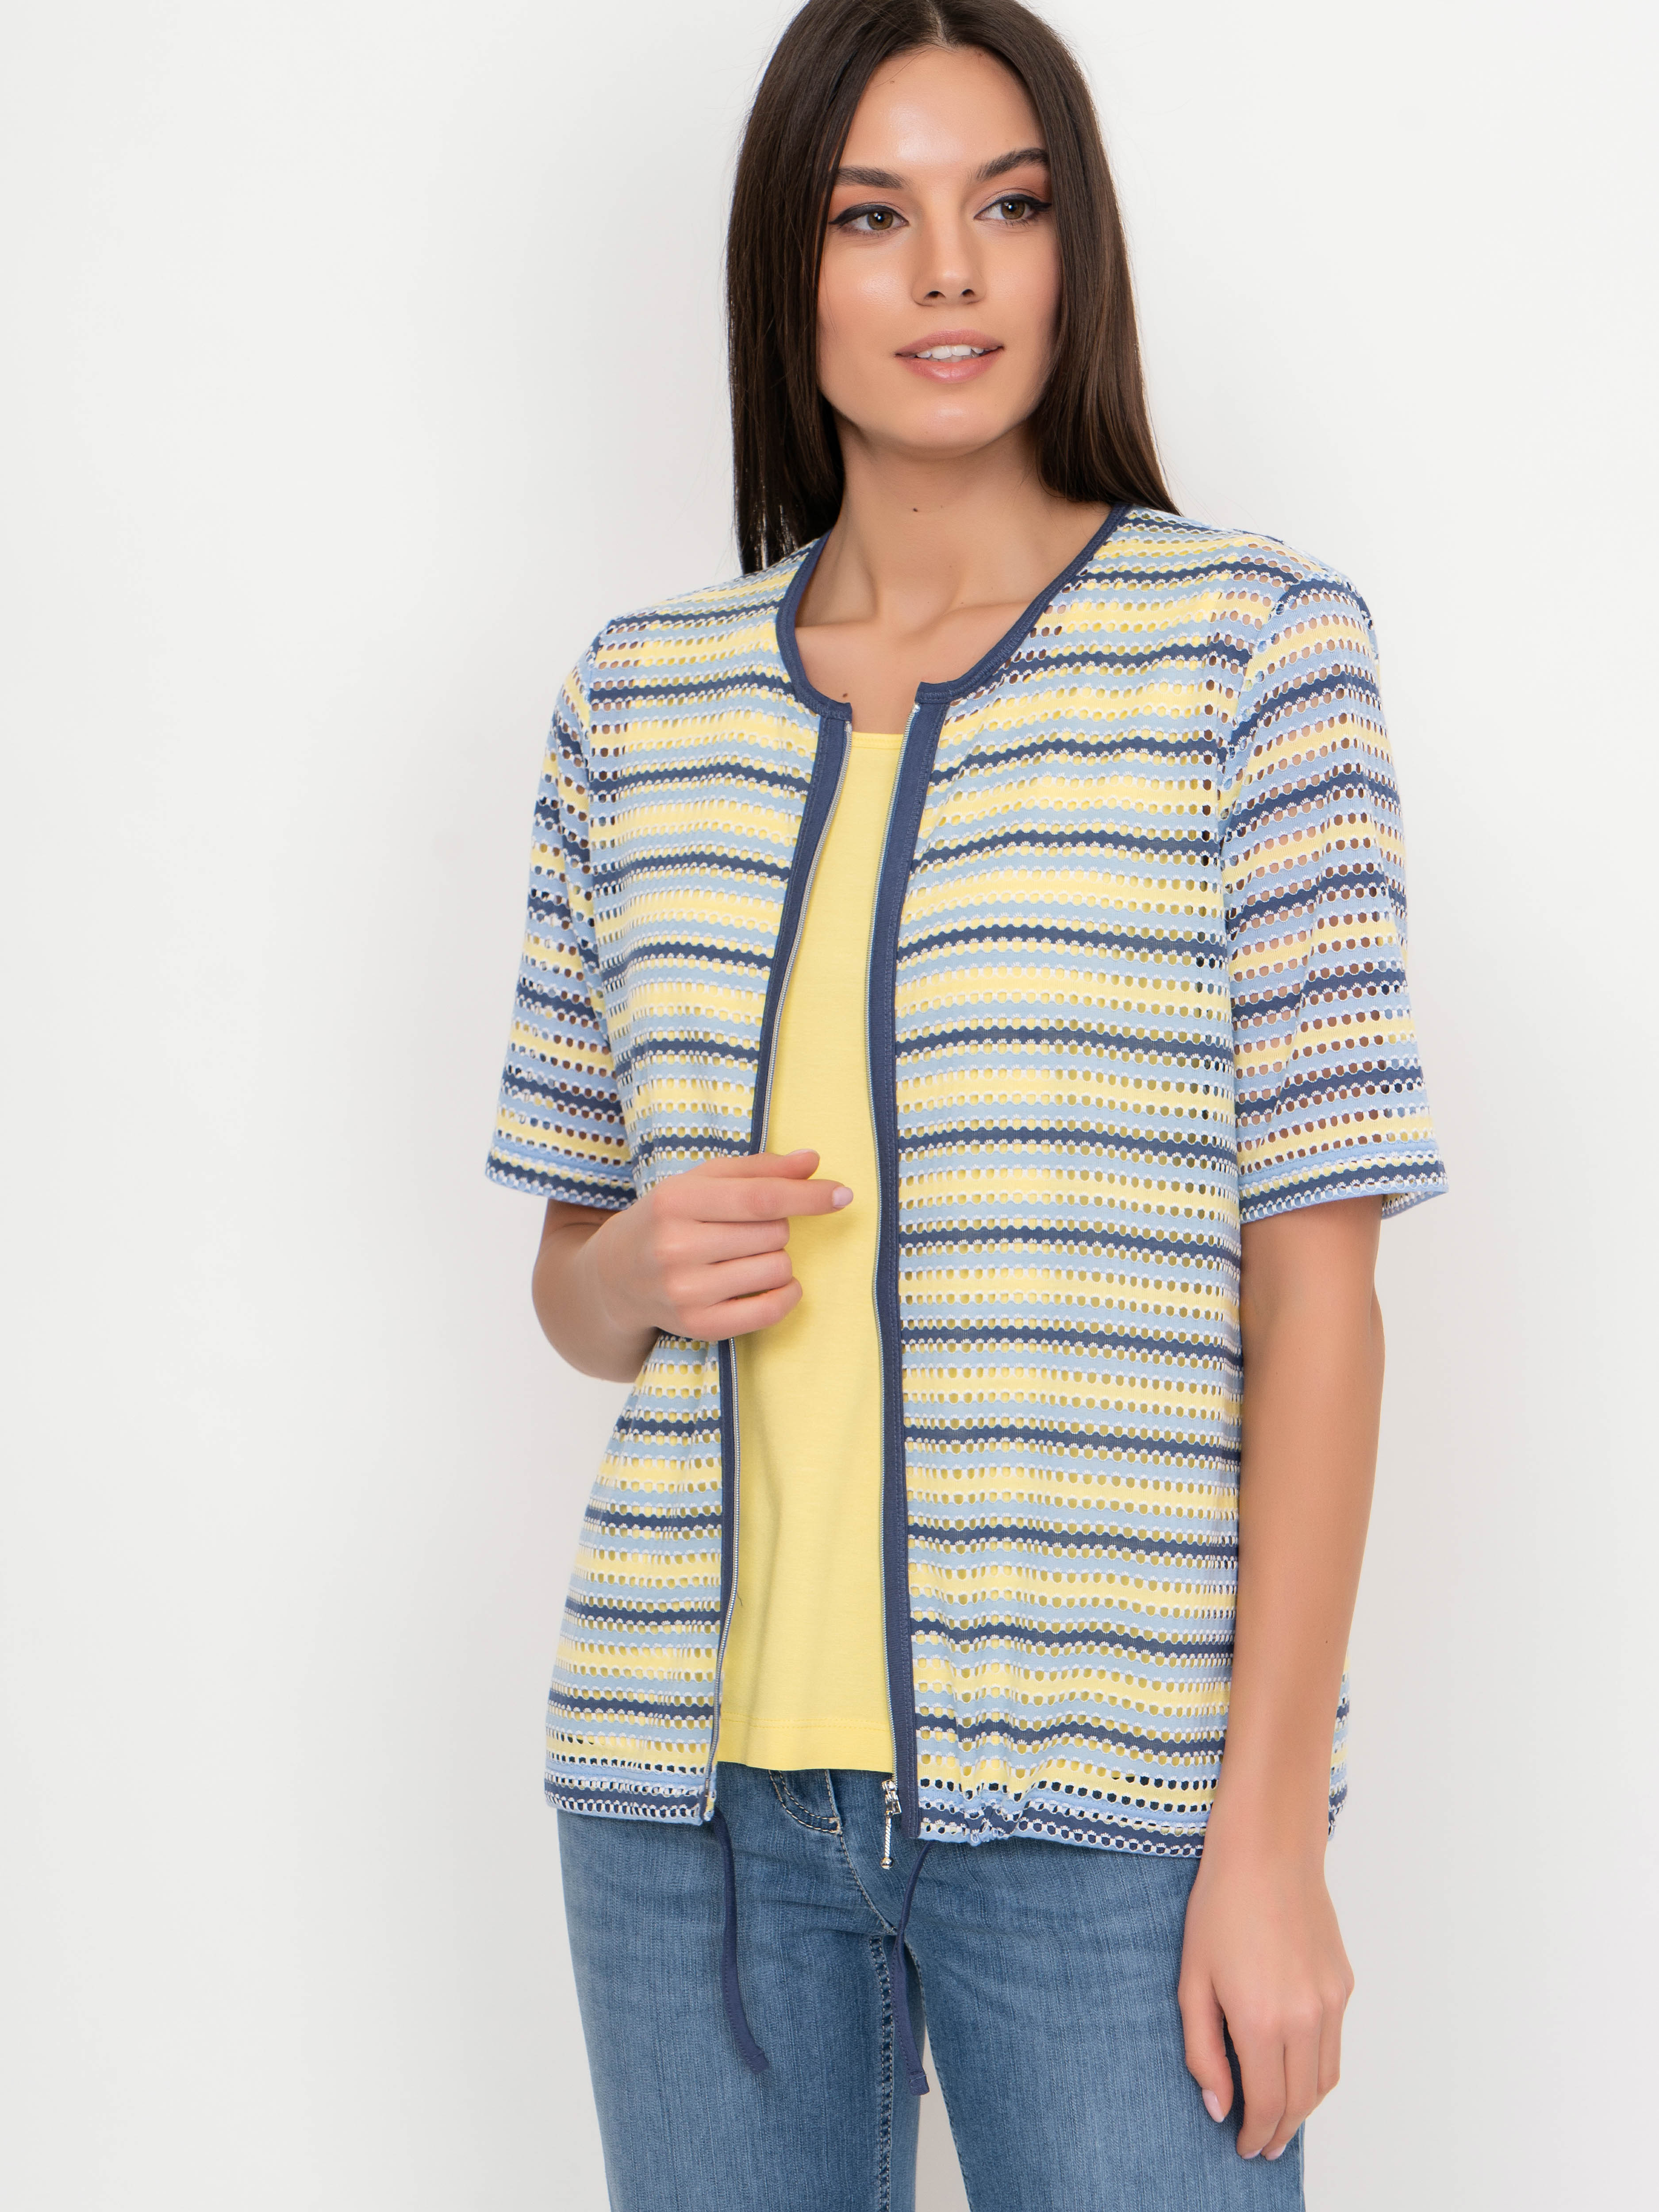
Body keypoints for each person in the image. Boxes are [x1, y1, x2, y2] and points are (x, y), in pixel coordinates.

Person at [486, 2, 1445, 2204]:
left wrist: (1268, 1829)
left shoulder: (1248, 649)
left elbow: (1315, 1292)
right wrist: (630, 1264)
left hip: (1114, 1805)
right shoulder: (632, 704)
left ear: (1068, 247)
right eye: (871, 216)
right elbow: (568, 1285)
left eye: (1004, 206)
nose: (945, 269)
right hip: (687, 1808)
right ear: (787, 264)